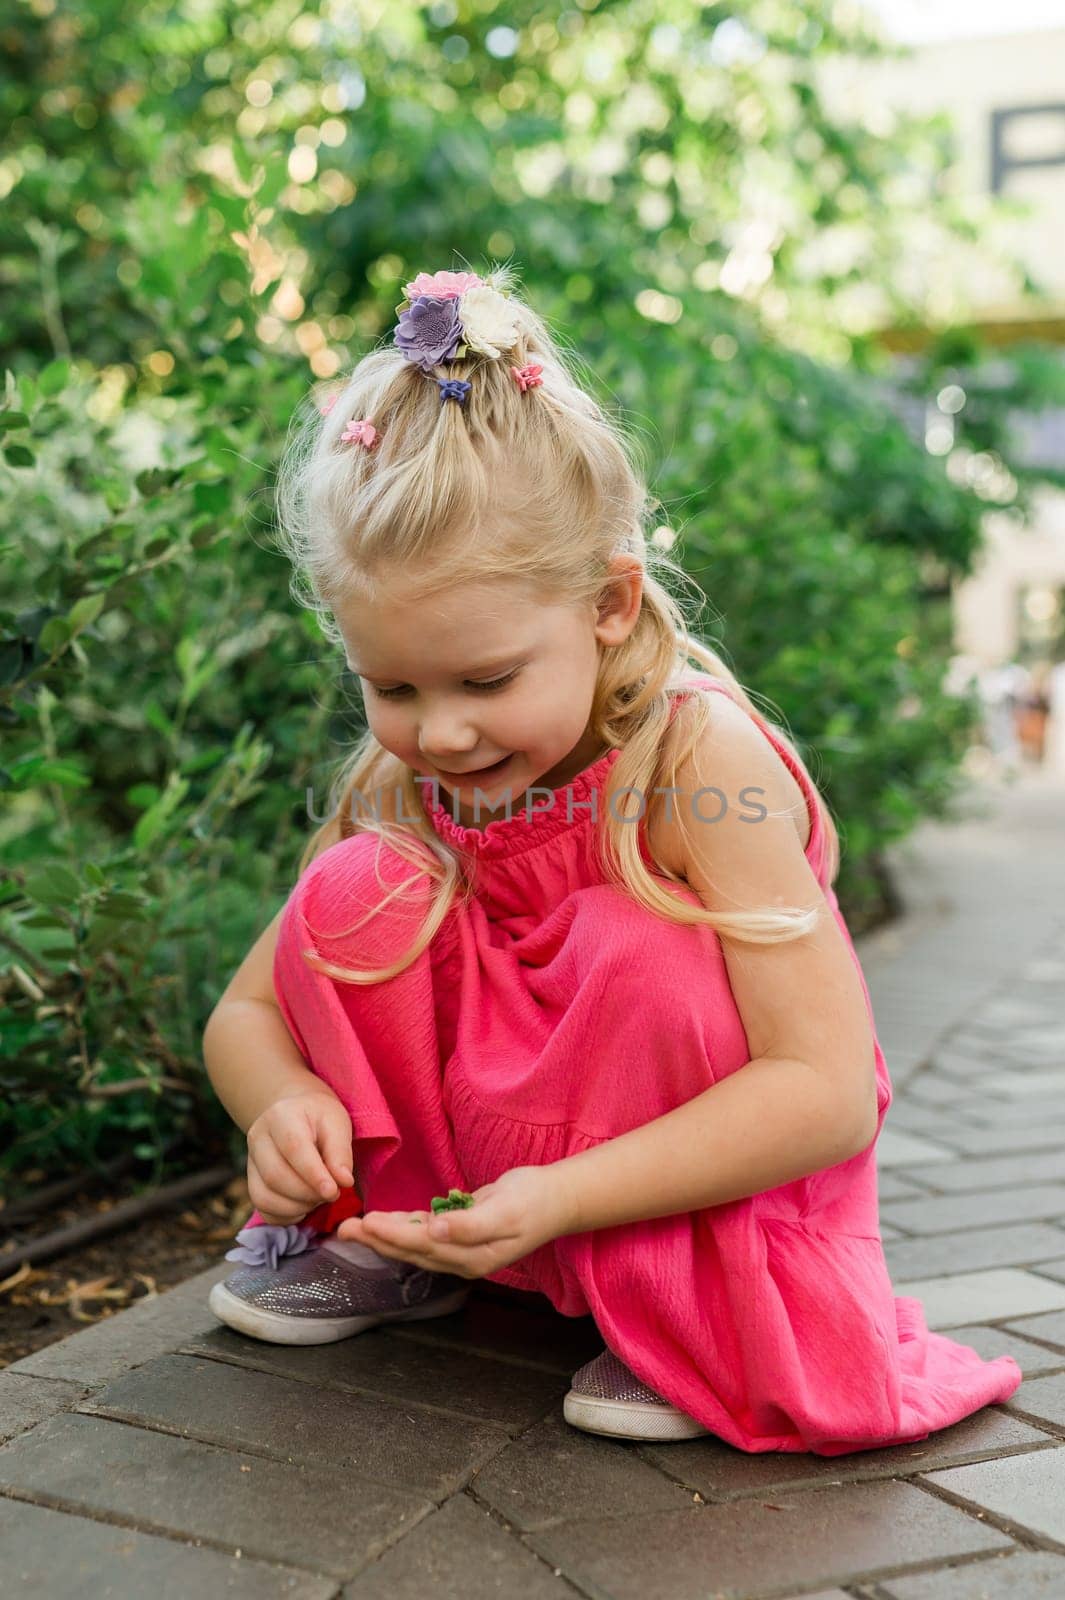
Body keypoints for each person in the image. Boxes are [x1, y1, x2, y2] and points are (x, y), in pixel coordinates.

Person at [202, 261, 1022, 1454]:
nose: (440, 731)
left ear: (609, 604)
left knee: (640, 952)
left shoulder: (700, 764)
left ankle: (671, 1295)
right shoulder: (418, 780)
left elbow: (829, 1091)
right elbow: (246, 1011)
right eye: (392, 686)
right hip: (508, 1190)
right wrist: (281, 1104)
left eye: (485, 680)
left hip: (663, 1191)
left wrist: (567, 1198)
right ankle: (397, 1243)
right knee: (357, 889)